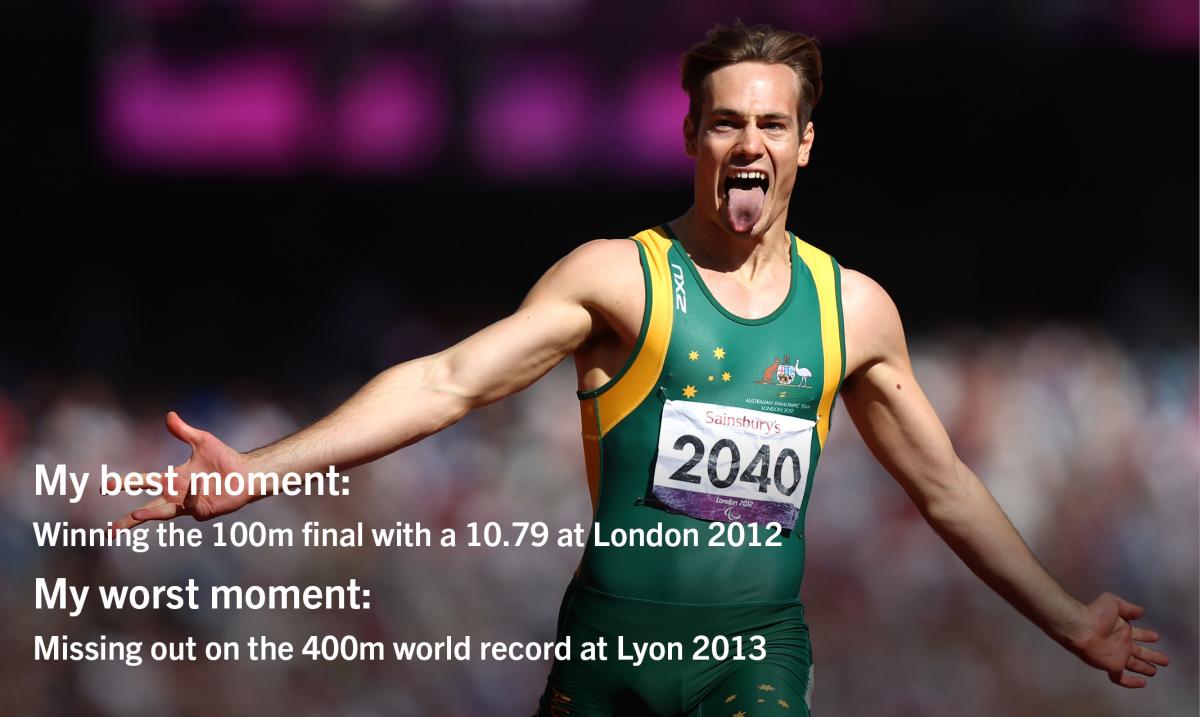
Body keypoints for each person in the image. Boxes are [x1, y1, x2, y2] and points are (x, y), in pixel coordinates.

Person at [109, 21, 1168, 717]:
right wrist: (263, 469)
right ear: (692, 137)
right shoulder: (618, 280)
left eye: (770, 123)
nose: (746, 141)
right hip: (610, 659)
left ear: (804, 146)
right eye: (725, 121)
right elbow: (450, 382)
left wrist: (1068, 615)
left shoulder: (854, 310)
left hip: (756, 664)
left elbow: (945, 488)